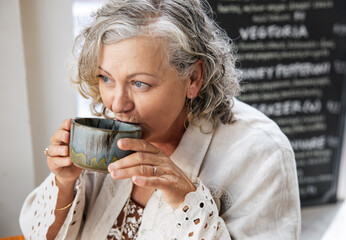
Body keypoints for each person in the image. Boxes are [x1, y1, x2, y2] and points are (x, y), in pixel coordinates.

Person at [19, 0, 301, 239]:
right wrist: (64, 183)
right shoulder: (104, 136)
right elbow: (35, 233)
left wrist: (186, 201)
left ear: (193, 78)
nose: (117, 104)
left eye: (139, 83)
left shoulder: (261, 153)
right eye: (106, 78)